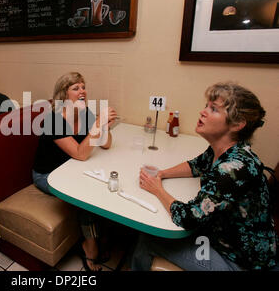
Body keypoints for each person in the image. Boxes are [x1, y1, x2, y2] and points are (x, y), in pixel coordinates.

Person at [132, 82, 277, 271]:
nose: (203, 112)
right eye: (207, 106)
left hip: (239, 261)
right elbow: (196, 165)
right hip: (224, 239)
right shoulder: (228, 150)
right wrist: (162, 174)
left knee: (147, 239)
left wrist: (157, 189)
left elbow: (188, 218)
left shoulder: (233, 170)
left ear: (237, 124)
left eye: (214, 109)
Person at [32, 72, 118, 271]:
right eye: (75, 88)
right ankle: (89, 247)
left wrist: (102, 127)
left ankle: (100, 234)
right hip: (48, 175)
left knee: (99, 186)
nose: (82, 91)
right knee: (86, 194)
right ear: (63, 94)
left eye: (83, 86)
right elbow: (80, 154)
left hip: (70, 167)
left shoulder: (85, 113)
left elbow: (107, 145)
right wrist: (98, 124)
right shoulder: (53, 120)